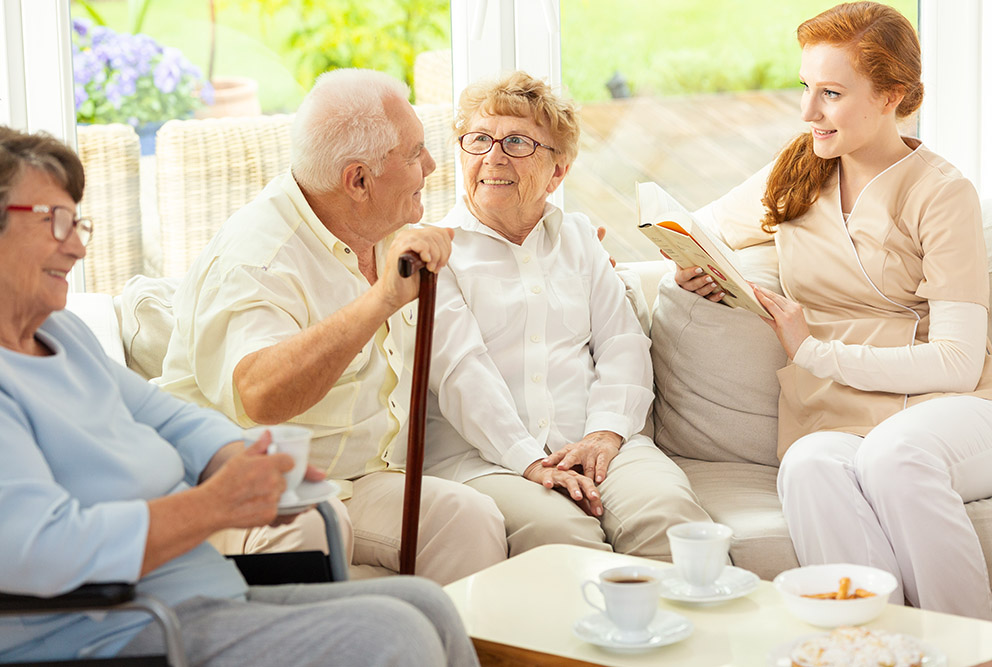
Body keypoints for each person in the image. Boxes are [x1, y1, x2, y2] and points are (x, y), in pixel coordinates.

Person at [0, 124, 479, 666]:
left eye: (77, 221)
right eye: (54, 221)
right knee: (394, 633)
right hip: (110, 631)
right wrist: (215, 505)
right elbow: (39, 548)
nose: (78, 245)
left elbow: (170, 418)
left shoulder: (62, 337)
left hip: (192, 595)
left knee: (427, 604)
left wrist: (244, 462)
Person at [675, 2, 992, 619]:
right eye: (805, 87)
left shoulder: (942, 193)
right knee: (808, 465)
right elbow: (690, 229)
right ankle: (871, 649)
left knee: (895, 457)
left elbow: (956, 363)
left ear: (892, 96)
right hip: (836, 413)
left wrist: (814, 351)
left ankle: (971, 650)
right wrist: (700, 269)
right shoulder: (796, 175)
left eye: (831, 93)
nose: (806, 111)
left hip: (952, 407)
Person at [155, 68, 507, 584]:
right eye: (414, 154)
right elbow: (260, 395)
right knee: (315, 526)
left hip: (353, 479)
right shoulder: (257, 260)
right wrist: (379, 302)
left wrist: (568, 255)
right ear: (358, 180)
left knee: (467, 519)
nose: (431, 165)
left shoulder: (379, 226)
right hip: (244, 487)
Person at [424, 71, 711, 559]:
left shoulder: (578, 239)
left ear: (558, 171)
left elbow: (622, 342)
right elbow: (459, 373)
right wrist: (529, 461)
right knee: (563, 538)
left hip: (597, 442)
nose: (493, 156)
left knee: (670, 520)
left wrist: (605, 432)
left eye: (516, 142)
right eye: (478, 140)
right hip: (486, 458)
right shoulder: (435, 251)